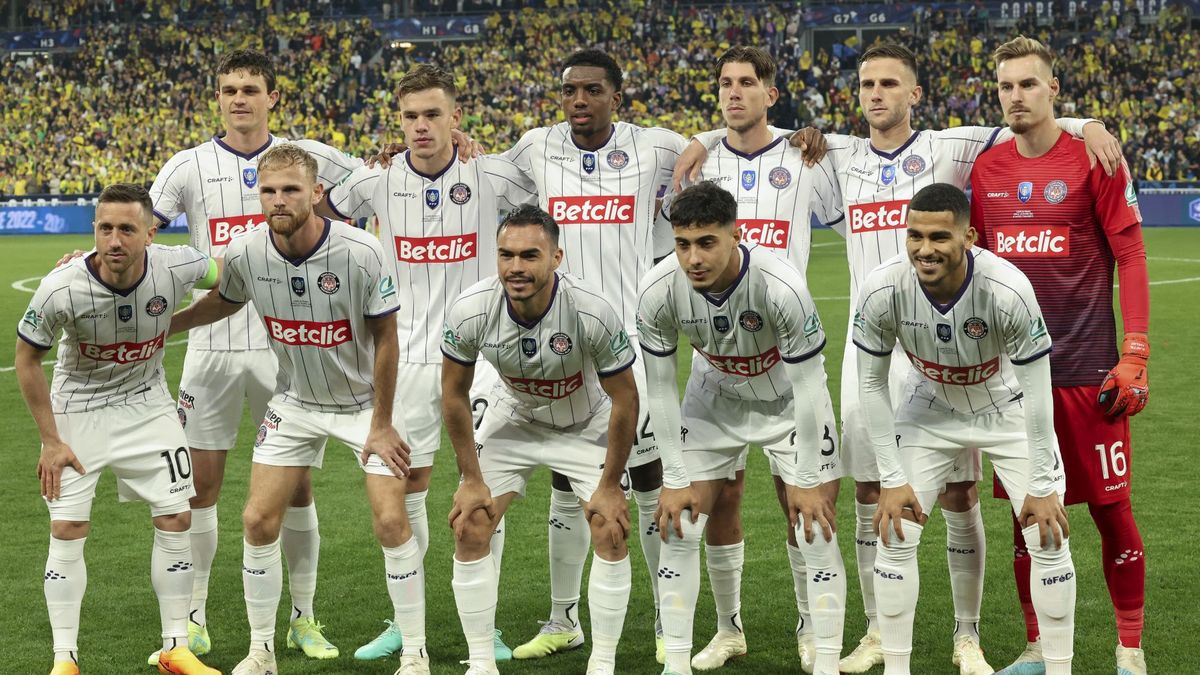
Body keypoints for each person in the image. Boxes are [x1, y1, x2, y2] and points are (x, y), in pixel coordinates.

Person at [677, 42, 1120, 674]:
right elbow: (751, 131)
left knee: (962, 496)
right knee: (873, 490)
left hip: (953, 348)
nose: (876, 94)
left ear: (914, 94)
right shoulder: (835, 155)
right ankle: (880, 632)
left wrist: (1088, 124)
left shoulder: (949, 146)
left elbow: (1027, 116)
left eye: (889, 83)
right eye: (866, 84)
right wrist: (700, 137)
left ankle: (967, 635)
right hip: (876, 345)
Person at [167, 144, 418, 675]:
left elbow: (388, 339)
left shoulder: (360, 251)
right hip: (296, 402)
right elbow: (226, 300)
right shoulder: (247, 250)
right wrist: (168, 326)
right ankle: (261, 652)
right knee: (257, 519)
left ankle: (415, 654)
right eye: (269, 191)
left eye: (291, 190)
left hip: (362, 407)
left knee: (392, 521)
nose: (278, 200)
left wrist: (381, 423)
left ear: (317, 193)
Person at [149, 48, 362, 661]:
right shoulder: (186, 166)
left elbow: (381, 178)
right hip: (211, 346)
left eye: (250, 88)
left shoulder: (308, 158)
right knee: (199, 489)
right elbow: (141, 226)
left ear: (273, 97)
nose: (239, 98)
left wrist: (463, 143)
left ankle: (304, 617)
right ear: (216, 97)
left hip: (287, 347)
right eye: (228, 89)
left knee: (294, 490)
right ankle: (192, 618)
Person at [319, 63, 537, 662]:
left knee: (484, 492)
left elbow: (554, 191)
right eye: (410, 116)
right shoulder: (377, 181)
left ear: (456, 118)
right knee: (408, 485)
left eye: (432, 114)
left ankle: (482, 625)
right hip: (405, 357)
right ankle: (403, 619)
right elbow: (324, 206)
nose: (421, 126)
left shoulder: (492, 175)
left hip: (484, 357)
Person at [970, 36, 1150, 675]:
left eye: (1027, 84)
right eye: (1005, 87)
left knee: (1110, 510)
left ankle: (1130, 650)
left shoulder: (1093, 160)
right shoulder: (986, 171)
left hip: (1089, 372)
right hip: (1016, 382)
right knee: (1028, 516)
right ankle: (1038, 647)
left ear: (1054, 90)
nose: (1016, 96)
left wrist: (1136, 353)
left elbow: (1129, 254)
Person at [499, 48, 686, 663]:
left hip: (636, 345)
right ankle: (563, 619)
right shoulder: (535, 147)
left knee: (651, 479)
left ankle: (667, 619)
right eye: (570, 90)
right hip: (564, 347)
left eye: (592, 90)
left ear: (616, 94)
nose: (579, 100)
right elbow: (477, 172)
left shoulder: (655, 146)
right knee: (565, 479)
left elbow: (712, 145)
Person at [854, 182, 1075, 675]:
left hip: (1005, 405)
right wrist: (891, 478)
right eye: (915, 236)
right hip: (928, 406)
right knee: (896, 531)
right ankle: (897, 668)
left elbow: (1040, 390)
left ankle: (1060, 669)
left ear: (969, 236)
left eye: (939, 237)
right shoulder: (882, 288)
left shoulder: (1008, 288)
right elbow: (871, 384)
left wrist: (1040, 485)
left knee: (1047, 536)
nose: (924, 249)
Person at [675, 46, 845, 674]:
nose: (734, 93)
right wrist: (696, 138)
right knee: (719, 498)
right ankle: (728, 629)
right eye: (724, 84)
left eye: (748, 83)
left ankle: (810, 624)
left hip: (786, 358)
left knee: (799, 497)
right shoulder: (699, 162)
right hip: (716, 362)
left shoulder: (807, 158)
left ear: (772, 93)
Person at [15, 183, 221, 675]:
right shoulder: (61, 286)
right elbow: (27, 360)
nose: (114, 240)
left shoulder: (178, 265)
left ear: (151, 233)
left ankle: (176, 647)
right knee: (67, 527)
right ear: (94, 231)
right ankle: (64, 658)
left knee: (176, 517)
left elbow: (231, 280)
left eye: (127, 229)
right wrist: (50, 440)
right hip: (78, 410)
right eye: (104, 228)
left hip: (148, 405)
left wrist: (176, 323)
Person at [637, 181, 840, 675]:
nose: (693, 258)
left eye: (707, 242)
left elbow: (811, 386)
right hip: (715, 401)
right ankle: (705, 645)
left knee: (812, 526)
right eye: (683, 244)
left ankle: (818, 641)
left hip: (791, 403)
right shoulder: (658, 288)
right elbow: (660, 387)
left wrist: (810, 481)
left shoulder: (779, 285)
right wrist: (674, 477)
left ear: (736, 235)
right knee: (681, 524)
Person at [441, 204, 638, 675]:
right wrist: (470, 477)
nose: (516, 268)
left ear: (556, 257)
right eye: (506, 255)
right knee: (470, 522)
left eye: (530, 255)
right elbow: (452, 394)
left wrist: (610, 485)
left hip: (585, 421)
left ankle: (603, 664)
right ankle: (482, 664)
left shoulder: (592, 310)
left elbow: (625, 399)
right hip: (516, 416)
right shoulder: (471, 309)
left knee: (609, 527)